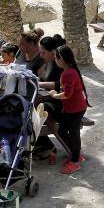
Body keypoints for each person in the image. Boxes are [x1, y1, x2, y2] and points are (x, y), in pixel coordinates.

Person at [47, 45, 89, 174]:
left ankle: (75, 161)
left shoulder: (67, 73)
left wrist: (54, 95)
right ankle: (76, 155)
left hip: (76, 109)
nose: (55, 60)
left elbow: (67, 94)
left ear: (62, 59)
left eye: (56, 58)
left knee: (74, 134)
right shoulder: (69, 71)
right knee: (63, 132)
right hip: (71, 109)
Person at [34, 34, 66, 163]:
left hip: (60, 104)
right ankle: (43, 144)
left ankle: (45, 145)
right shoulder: (47, 63)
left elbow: (60, 85)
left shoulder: (60, 65)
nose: (41, 56)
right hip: (50, 99)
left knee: (38, 108)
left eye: (43, 53)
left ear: (53, 53)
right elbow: (44, 79)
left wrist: (41, 84)